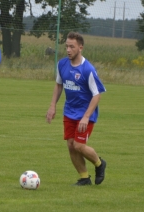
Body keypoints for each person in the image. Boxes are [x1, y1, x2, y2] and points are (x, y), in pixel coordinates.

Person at [46, 32, 107, 186]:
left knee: (78, 145)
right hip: (69, 112)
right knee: (70, 146)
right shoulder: (62, 64)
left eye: (72, 47)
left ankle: (100, 164)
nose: (68, 50)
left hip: (85, 114)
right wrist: (52, 105)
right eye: (66, 46)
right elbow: (59, 85)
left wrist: (86, 117)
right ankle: (84, 178)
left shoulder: (88, 70)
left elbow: (97, 95)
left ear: (80, 48)